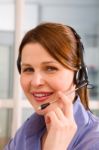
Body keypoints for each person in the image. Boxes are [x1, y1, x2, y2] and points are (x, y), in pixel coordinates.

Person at [5, 22, 99, 150]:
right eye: (28, 69)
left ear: (77, 76)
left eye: (50, 68)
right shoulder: (26, 132)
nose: (35, 82)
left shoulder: (94, 142)